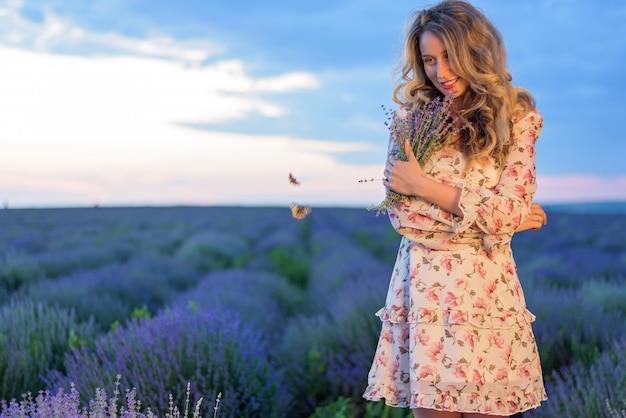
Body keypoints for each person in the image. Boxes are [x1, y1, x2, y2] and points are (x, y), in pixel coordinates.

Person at [362, 1, 548, 417]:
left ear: (477, 53)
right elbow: (404, 218)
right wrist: (500, 223)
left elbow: (508, 210)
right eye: (429, 60)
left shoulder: (517, 119)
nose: (441, 72)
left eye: (450, 57)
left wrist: (424, 186)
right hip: (426, 298)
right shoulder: (411, 120)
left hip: (488, 302)